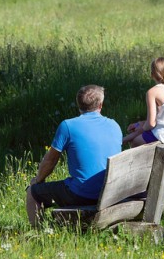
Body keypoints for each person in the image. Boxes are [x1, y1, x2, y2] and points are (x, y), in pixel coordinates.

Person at [26, 85, 122, 227]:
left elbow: (50, 161)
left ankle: (40, 233)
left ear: (78, 104)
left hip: (82, 193)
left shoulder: (68, 126)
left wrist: (38, 180)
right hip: (111, 191)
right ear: (100, 105)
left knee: (32, 193)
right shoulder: (114, 125)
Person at [123, 57, 164, 148]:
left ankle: (122, 141)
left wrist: (140, 129)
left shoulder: (153, 92)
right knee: (141, 132)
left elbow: (151, 124)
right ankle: (124, 140)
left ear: (152, 74)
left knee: (135, 142)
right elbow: (163, 119)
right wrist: (139, 124)